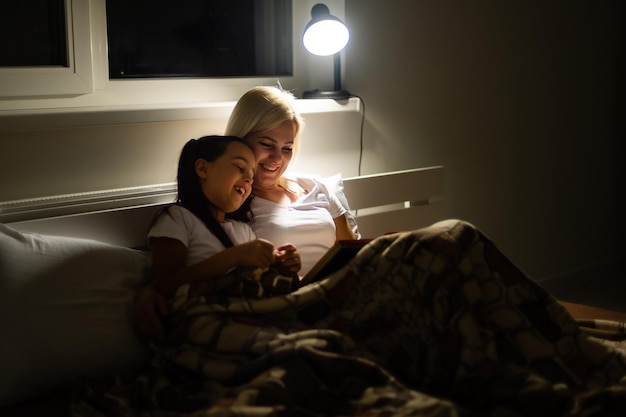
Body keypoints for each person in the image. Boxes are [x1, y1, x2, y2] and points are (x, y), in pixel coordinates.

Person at [134, 86, 358, 339]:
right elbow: (201, 265)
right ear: (241, 139)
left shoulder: (315, 186)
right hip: (298, 305)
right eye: (266, 144)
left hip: (345, 291)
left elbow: (352, 251)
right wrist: (152, 290)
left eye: (287, 148)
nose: (277, 158)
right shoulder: (234, 204)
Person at [147, 134, 301, 301]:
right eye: (240, 168)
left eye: (252, 174)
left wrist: (282, 263)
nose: (249, 179)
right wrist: (234, 257)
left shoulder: (244, 230)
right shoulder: (177, 217)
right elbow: (165, 283)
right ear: (203, 169)